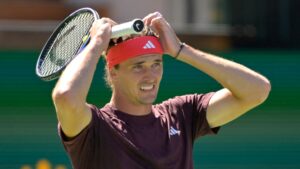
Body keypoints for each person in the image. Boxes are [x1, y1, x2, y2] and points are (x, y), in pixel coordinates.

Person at [52, 12, 271, 169]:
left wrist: (181, 51)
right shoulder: (95, 127)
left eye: (156, 63)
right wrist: (97, 43)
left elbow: (258, 90)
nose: (151, 75)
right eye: (138, 66)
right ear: (114, 71)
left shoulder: (181, 114)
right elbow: (65, 97)